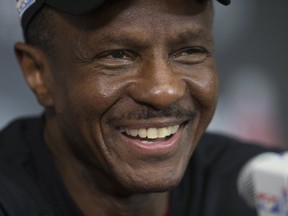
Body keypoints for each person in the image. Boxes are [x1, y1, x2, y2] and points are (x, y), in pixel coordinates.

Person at [0, 0, 281, 215]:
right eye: (117, 55)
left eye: (189, 51)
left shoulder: (260, 186)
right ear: (38, 73)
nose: (164, 91)